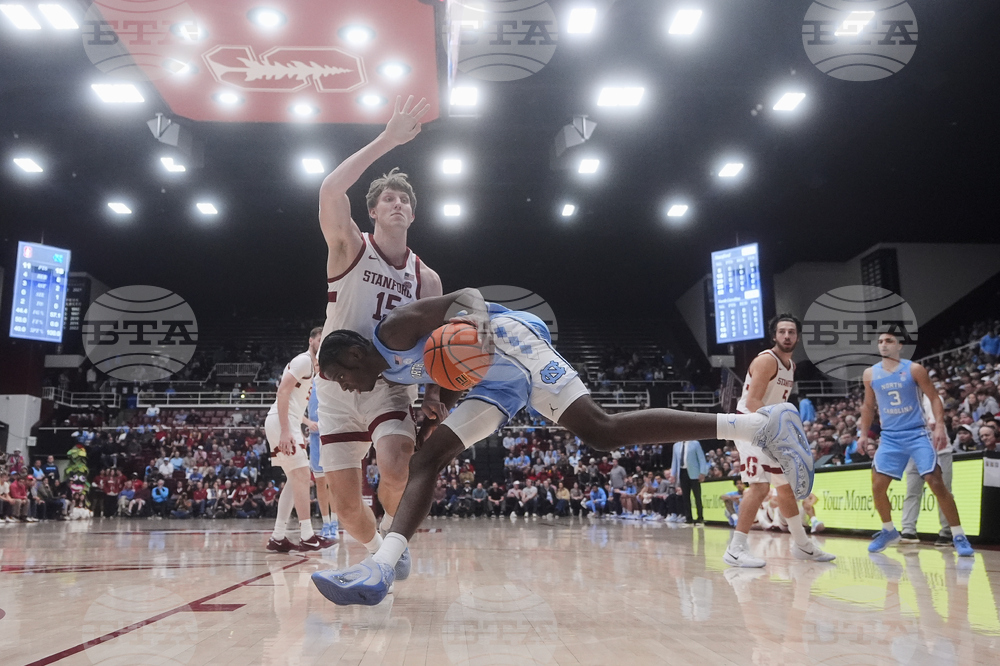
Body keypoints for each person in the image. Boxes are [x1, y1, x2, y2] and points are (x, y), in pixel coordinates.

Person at [310, 290, 813, 605]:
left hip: (507, 338)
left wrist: (480, 317)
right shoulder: (389, 372)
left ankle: (757, 425)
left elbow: (464, 297)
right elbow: (445, 366)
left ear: (354, 353)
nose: (346, 387)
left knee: (600, 430)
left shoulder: (393, 329)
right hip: (492, 381)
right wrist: (440, 401)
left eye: (340, 377)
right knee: (428, 458)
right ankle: (381, 567)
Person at [312, 95, 440, 583]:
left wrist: (433, 394)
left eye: (404, 199)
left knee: (397, 464)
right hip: (336, 385)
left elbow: (435, 344)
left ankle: (390, 538)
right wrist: (388, 139)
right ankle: (375, 548)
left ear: (413, 215)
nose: (398, 203)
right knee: (346, 507)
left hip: (388, 383)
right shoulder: (349, 246)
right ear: (371, 211)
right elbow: (329, 188)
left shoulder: (426, 278)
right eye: (388, 198)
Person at [724, 314, 833, 567]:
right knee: (760, 487)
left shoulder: (790, 366)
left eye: (791, 332)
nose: (787, 336)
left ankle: (802, 545)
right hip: (749, 425)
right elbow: (753, 402)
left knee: (785, 487)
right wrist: (779, 430)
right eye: (782, 331)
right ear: (774, 336)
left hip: (769, 428)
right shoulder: (766, 360)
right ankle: (735, 548)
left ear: (797, 337)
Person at [861, 332, 974, 557]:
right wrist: (863, 434)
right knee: (877, 486)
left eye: (889, 341)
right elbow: (868, 405)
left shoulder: (914, 369)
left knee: (935, 481)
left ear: (899, 346)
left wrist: (939, 425)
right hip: (890, 437)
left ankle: (958, 535)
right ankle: (888, 530)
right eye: (880, 341)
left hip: (916, 433)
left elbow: (934, 397)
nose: (883, 345)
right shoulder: (870, 373)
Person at [264, 329, 334, 553]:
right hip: (281, 422)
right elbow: (282, 392)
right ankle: (307, 536)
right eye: (320, 340)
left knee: (295, 480)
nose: (322, 344)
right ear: (311, 341)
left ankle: (277, 537)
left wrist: (296, 425)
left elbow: (293, 400)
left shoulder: (313, 368)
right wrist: (286, 430)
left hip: (288, 422)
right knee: (303, 476)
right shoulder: (303, 361)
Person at [307, 378, 338, 539]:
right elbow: (294, 409)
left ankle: (335, 522)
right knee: (320, 482)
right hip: (315, 437)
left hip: (331, 434)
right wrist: (307, 422)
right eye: (316, 365)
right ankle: (325, 523)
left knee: (332, 482)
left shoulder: (334, 381)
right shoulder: (308, 384)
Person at [671, 439, 708, 525]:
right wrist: (673, 474)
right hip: (682, 472)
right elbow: (674, 461)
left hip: (694, 473)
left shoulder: (695, 443)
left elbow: (701, 458)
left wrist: (703, 472)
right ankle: (688, 518)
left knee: (697, 496)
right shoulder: (676, 445)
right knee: (685, 497)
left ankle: (700, 517)